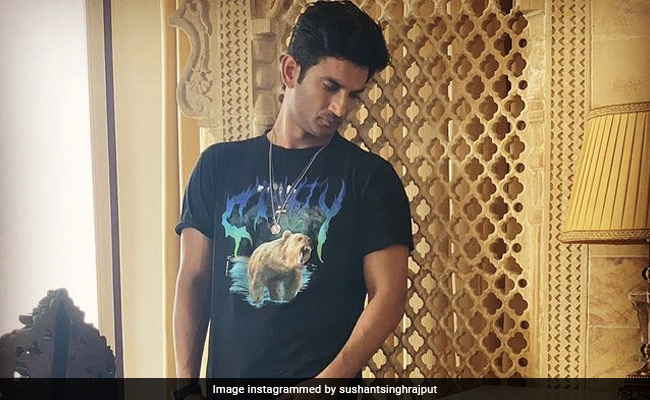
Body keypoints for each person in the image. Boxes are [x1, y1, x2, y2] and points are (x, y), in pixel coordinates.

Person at [172, 0, 413, 395]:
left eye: (354, 95)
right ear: (289, 71)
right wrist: (185, 385)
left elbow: (389, 297)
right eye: (330, 87)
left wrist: (325, 384)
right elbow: (194, 279)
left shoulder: (371, 179)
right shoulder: (218, 165)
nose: (340, 108)